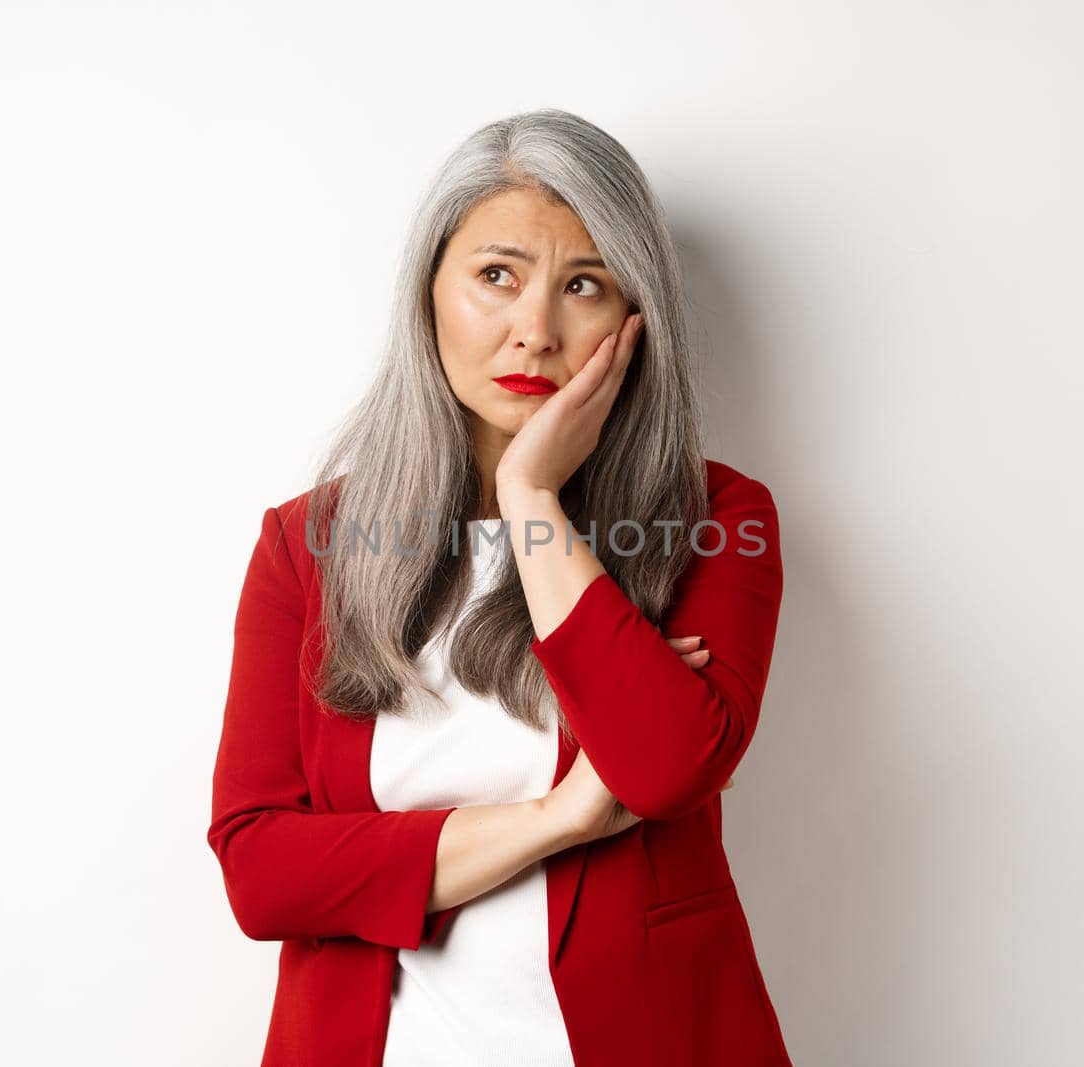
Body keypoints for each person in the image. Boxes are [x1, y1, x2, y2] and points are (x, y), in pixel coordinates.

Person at [207, 107, 792, 1066]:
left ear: (634, 316)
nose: (537, 330)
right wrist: (556, 820)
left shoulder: (719, 519)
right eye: (497, 276)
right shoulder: (307, 545)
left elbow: (663, 768)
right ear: (430, 292)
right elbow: (260, 874)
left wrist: (531, 496)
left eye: (585, 284)